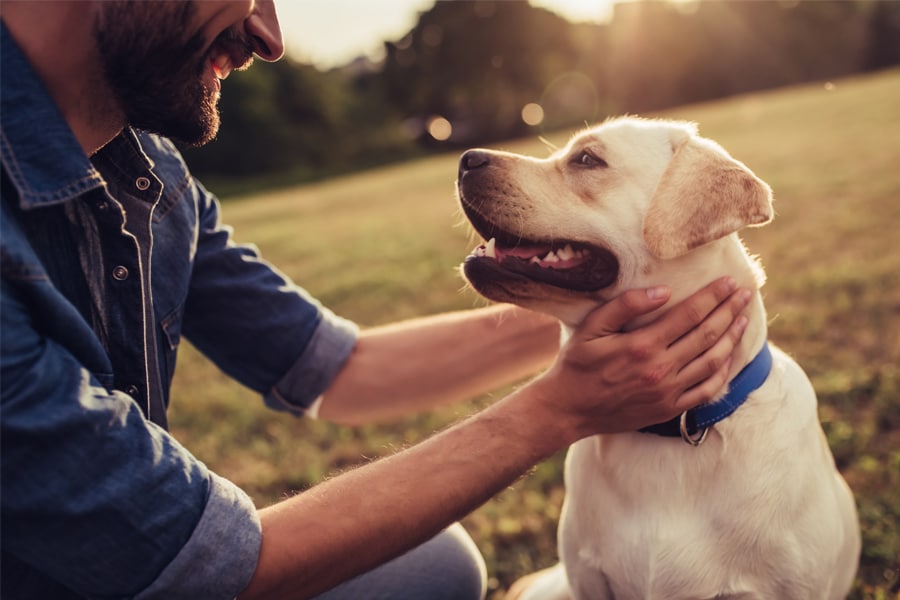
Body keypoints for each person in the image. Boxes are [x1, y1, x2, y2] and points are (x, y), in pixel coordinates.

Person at [0, 2, 751, 599]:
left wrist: (620, 306)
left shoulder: (150, 177)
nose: (269, 34)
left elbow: (341, 368)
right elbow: (198, 567)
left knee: (433, 568)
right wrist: (560, 408)